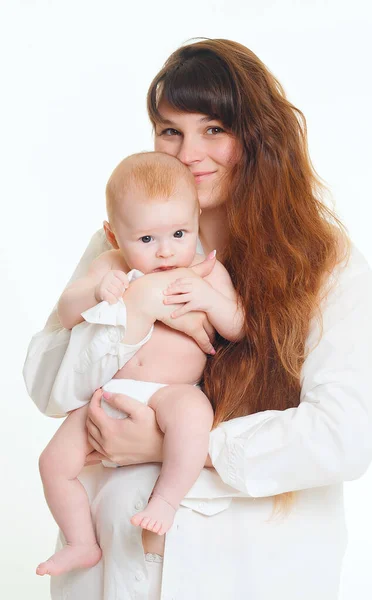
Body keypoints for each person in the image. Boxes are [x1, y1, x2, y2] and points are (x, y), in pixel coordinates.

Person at [24, 39, 372, 600]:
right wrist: (137, 306)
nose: (189, 153)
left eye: (214, 129)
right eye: (171, 130)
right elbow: (47, 386)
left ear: (256, 136)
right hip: (111, 574)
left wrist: (182, 447)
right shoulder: (122, 244)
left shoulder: (322, 261)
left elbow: (347, 432)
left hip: (247, 572)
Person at [36, 151, 244, 577]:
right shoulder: (110, 264)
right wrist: (96, 292)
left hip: (173, 391)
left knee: (193, 417)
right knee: (52, 464)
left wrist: (209, 300)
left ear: (196, 218)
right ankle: (80, 542)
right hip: (110, 393)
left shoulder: (207, 271)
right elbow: (66, 311)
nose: (166, 252)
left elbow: (239, 326)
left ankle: (165, 501)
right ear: (115, 236)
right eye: (146, 240)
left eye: (179, 233)